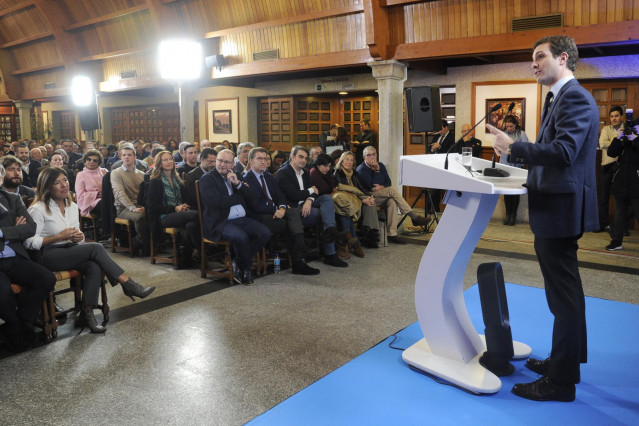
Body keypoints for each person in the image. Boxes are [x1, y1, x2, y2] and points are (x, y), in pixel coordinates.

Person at [487, 35, 599, 402]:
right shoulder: (559, 97)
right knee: (566, 295)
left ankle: (561, 382)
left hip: (560, 211)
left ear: (563, 58)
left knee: (563, 300)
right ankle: (565, 363)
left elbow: (564, 152)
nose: (533, 63)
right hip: (555, 207)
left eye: (540, 57)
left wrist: (513, 147)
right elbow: (554, 152)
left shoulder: (576, 97)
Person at [24, 167, 155, 334]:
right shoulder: (38, 209)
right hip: (46, 254)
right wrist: (57, 237)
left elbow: (76, 236)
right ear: (47, 187)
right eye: (57, 182)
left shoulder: (71, 206)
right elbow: (28, 242)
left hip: (68, 249)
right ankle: (128, 284)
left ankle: (87, 313)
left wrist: (78, 237)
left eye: (65, 180)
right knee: (96, 246)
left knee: (94, 266)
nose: (64, 185)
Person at [0, 164, 56, 352]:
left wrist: (2, 232)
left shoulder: (12, 199)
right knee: (3, 292)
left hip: (14, 257)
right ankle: (14, 325)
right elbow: (21, 230)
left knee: (47, 278)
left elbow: (30, 228)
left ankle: (23, 320)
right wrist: (15, 230)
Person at [198, 149, 271, 285]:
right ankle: (247, 269)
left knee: (265, 233)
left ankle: (238, 260)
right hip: (221, 222)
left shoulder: (236, 174)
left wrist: (237, 184)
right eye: (219, 161)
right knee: (241, 237)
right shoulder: (207, 179)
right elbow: (216, 203)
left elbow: (251, 195)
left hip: (242, 219)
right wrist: (239, 196)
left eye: (227, 162)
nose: (222, 164)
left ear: (233, 164)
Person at [243, 147, 320, 275]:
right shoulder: (246, 179)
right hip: (259, 216)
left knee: (293, 211)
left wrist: (283, 207)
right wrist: (277, 209)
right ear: (251, 161)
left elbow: (280, 197)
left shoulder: (268, 177)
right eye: (259, 159)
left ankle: (300, 252)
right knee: (289, 225)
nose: (263, 162)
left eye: (266, 159)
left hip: (277, 211)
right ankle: (299, 259)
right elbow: (255, 206)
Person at [276, 146, 346, 267]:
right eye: (300, 157)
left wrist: (309, 200)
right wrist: (310, 192)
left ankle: (330, 232)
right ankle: (330, 254)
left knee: (327, 198)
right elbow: (294, 195)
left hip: (306, 205)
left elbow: (315, 192)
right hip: (293, 211)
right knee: (328, 216)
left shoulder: (305, 172)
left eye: (306, 158)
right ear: (292, 157)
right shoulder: (283, 173)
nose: (304, 160)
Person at [356, 146, 427, 244]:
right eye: (369, 155)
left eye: (374, 154)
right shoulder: (361, 169)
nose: (372, 157)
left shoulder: (381, 165)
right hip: (368, 197)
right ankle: (414, 216)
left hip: (380, 195)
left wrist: (381, 186)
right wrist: (376, 171)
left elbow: (388, 182)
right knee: (392, 190)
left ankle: (392, 234)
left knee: (392, 202)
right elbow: (371, 187)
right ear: (364, 157)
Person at [147, 151, 201, 259]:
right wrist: (175, 208)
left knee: (191, 225)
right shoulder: (155, 181)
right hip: (164, 216)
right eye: (165, 160)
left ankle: (200, 253)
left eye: (170, 159)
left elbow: (185, 199)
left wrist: (184, 205)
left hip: (179, 213)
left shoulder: (177, 179)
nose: (169, 162)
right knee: (197, 215)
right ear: (159, 163)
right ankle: (203, 250)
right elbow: (153, 207)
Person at [332, 151, 380, 258]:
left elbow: (360, 187)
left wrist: (369, 196)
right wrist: (362, 199)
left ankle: (370, 232)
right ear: (342, 160)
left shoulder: (354, 173)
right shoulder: (337, 173)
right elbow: (344, 193)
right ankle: (355, 241)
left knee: (371, 203)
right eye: (347, 159)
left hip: (355, 197)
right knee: (347, 209)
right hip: (345, 201)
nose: (349, 162)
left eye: (351, 160)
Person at [605, 120, 639, 251]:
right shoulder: (625, 139)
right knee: (619, 213)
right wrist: (618, 138)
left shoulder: (635, 140)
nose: (634, 131)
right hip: (621, 181)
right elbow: (611, 153)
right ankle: (616, 241)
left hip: (636, 182)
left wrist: (636, 139)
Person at [111, 143, 150, 256]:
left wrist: (144, 206)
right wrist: (132, 208)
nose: (126, 157)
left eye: (129, 155)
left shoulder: (141, 174)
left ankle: (137, 241)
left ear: (135, 157)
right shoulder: (116, 173)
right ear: (121, 157)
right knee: (140, 217)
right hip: (123, 208)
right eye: (124, 155)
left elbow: (145, 194)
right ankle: (144, 244)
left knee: (154, 214)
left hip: (139, 205)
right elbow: (119, 193)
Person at [499, 115, 530, 226]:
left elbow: (526, 148)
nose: (509, 128)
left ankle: (513, 215)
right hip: (505, 165)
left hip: (516, 166)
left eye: (511, 126)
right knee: (507, 192)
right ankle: (508, 214)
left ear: (515, 125)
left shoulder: (521, 134)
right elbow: (499, 147)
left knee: (515, 192)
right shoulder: (503, 134)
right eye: (507, 126)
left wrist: (515, 150)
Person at [597, 106, 624, 232]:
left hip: (622, 168)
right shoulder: (605, 129)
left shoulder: (626, 129)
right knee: (603, 198)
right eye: (612, 116)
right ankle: (602, 225)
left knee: (621, 199)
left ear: (622, 117)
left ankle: (620, 227)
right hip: (606, 167)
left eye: (616, 116)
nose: (614, 118)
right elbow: (602, 144)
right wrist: (618, 141)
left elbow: (629, 145)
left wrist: (612, 142)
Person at [75, 149, 108, 218]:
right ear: (85, 161)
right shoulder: (81, 174)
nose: (91, 162)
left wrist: (105, 195)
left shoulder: (104, 171)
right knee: (104, 205)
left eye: (95, 160)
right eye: (89, 159)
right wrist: (96, 195)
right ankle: (105, 227)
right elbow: (80, 195)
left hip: (106, 198)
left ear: (99, 162)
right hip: (90, 202)